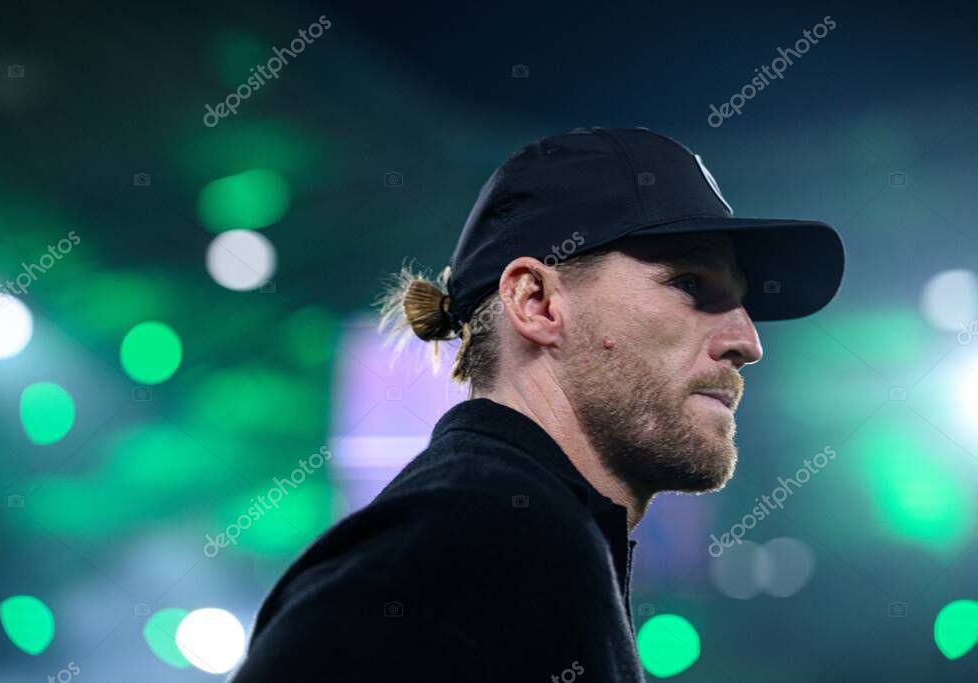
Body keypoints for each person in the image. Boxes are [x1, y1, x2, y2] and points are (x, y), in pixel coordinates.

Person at [230, 127, 845, 682]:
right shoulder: (474, 535)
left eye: (740, 302)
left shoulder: (531, 534)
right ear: (536, 303)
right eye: (691, 284)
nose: (748, 342)